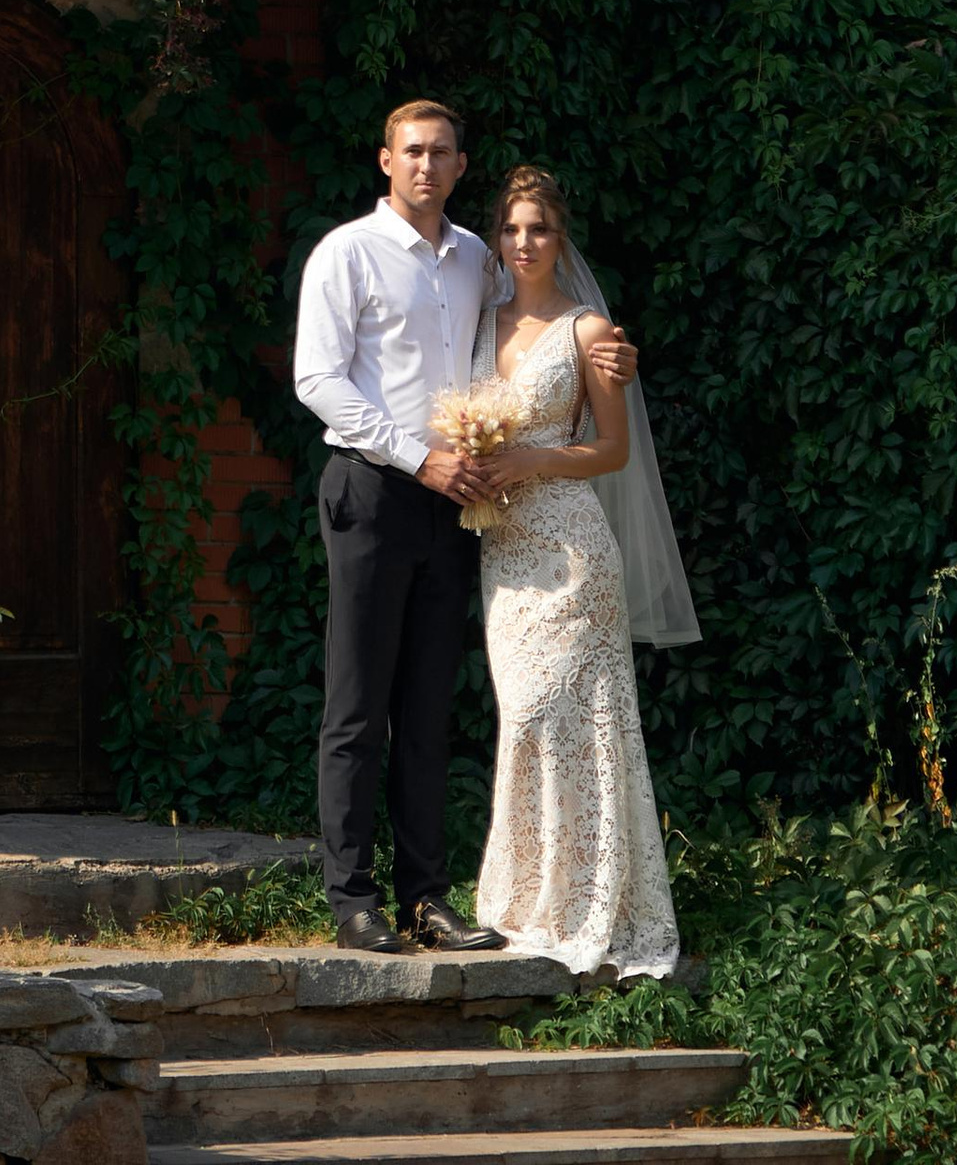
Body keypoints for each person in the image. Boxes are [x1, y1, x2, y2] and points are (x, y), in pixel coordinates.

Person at [293, 97, 637, 951]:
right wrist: (418, 457)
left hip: (460, 510)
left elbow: (539, 327)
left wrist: (610, 354)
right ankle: (352, 901)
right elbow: (317, 381)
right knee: (357, 706)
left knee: (428, 709)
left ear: (459, 165)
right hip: (375, 491)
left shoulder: (478, 261)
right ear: (385, 161)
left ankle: (426, 898)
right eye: (412, 151)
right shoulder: (349, 253)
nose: (425, 166)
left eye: (441, 153)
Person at [469, 161, 686, 979]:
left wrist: (530, 457)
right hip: (504, 551)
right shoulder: (477, 326)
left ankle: (590, 905)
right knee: (521, 719)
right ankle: (525, 900)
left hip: (571, 551)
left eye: (540, 229)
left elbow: (613, 449)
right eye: (512, 229)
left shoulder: (590, 332)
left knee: (563, 720)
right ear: (497, 238)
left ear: (562, 241)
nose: (524, 243)